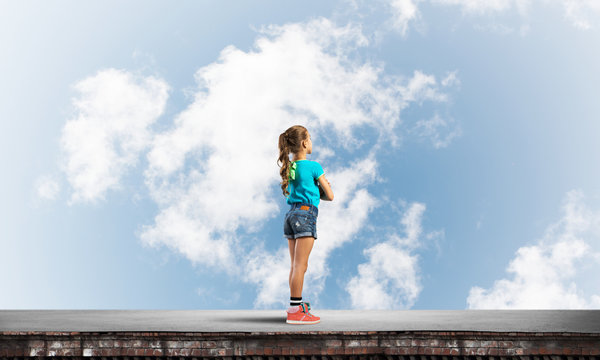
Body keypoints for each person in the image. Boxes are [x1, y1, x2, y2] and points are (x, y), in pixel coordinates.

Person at [277, 125, 334, 325]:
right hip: (306, 215)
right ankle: (295, 311)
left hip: (290, 216)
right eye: (309, 138)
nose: (311, 142)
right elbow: (330, 195)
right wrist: (318, 189)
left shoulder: (289, 167)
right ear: (304, 143)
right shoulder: (313, 166)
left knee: (295, 265)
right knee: (301, 265)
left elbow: (292, 192)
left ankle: (296, 305)